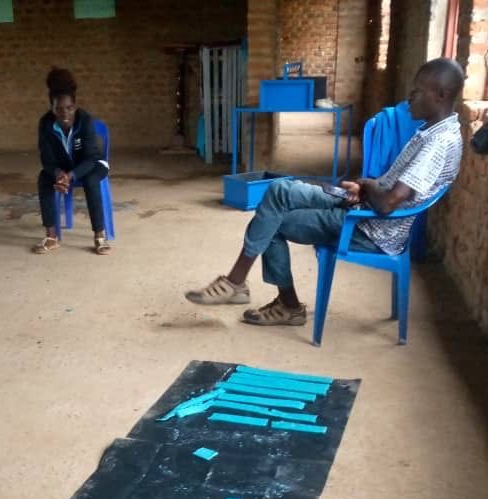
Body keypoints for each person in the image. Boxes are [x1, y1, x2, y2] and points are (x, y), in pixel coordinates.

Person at [185, 57, 465, 325]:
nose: (410, 98)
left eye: (417, 92)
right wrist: (363, 187)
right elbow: (391, 189)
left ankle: (282, 303)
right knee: (279, 190)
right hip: (362, 207)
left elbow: (388, 204)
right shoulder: (432, 131)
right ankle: (238, 284)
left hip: (369, 228)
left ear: (440, 96)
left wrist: (367, 185)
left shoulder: (438, 143)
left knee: (272, 223)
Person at [33, 67, 112, 255]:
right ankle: (51, 237)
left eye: (69, 108)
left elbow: (91, 158)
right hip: (64, 168)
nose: (65, 114)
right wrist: (58, 174)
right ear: (52, 109)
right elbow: (46, 158)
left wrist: (70, 176)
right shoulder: (45, 123)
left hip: (92, 165)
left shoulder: (85, 121)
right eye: (59, 109)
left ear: (75, 106)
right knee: (44, 178)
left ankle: (99, 236)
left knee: (91, 180)